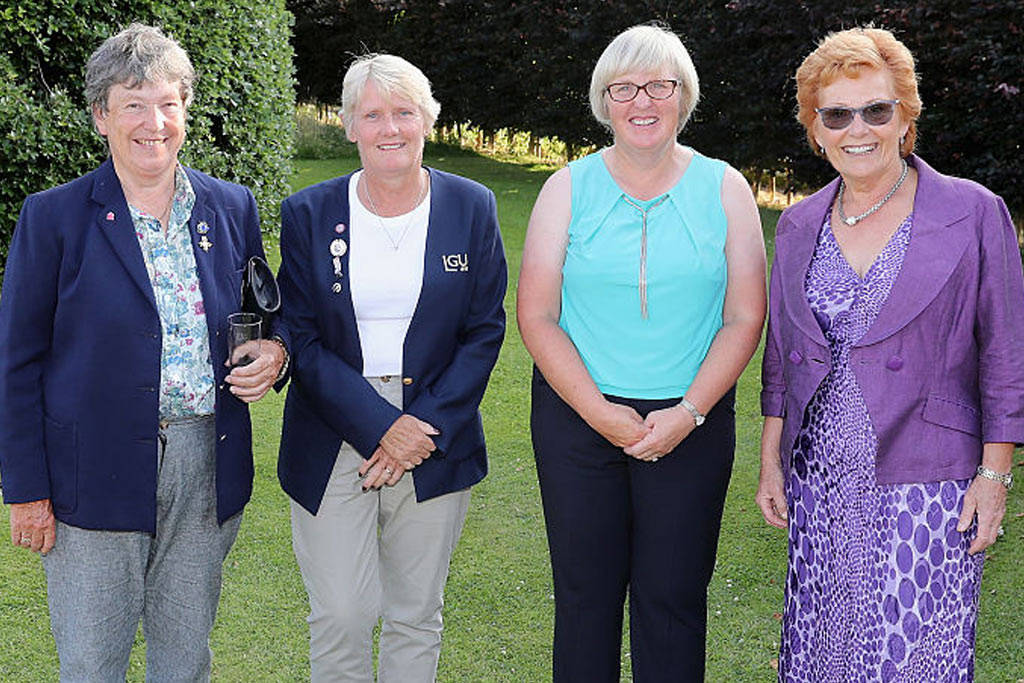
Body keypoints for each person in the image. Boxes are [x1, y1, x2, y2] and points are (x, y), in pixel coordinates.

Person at [0, 23, 288, 681]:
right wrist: (26, 488)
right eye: (132, 104)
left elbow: (270, 313)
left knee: (185, 658)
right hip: (90, 468)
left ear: (186, 110)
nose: (152, 122)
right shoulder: (53, 217)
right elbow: (15, 360)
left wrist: (277, 352)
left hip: (206, 461)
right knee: (93, 661)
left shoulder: (231, 207)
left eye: (166, 102)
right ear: (102, 116)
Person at [756, 27, 1024, 681]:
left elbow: (1006, 354)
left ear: (905, 115)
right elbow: (783, 354)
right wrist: (771, 460)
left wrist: (993, 477)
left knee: (911, 660)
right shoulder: (797, 224)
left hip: (928, 482)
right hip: (821, 482)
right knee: (822, 653)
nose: (858, 129)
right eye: (837, 114)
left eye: (877, 109)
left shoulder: (973, 212)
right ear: (815, 129)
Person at [518, 24, 766, 682]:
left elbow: (745, 316)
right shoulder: (565, 188)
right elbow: (537, 315)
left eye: (660, 85)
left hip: (692, 418)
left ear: (683, 97)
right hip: (577, 416)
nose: (642, 101)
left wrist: (687, 411)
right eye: (623, 88)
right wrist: (599, 412)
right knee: (584, 601)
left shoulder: (727, 188)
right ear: (604, 100)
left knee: (673, 600)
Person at [276, 53, 507, 682]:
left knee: (415, 612)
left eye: (404, 112)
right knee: (343, 613)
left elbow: (485, 331)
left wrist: (417, 429)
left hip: (435, 430)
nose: (390, 128)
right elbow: (298, 334)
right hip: (332, 427)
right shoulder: (307, 213)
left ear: (428, 119)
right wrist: (382, 426)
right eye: (372, 114)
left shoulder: (472, 205)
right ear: (348, 125)